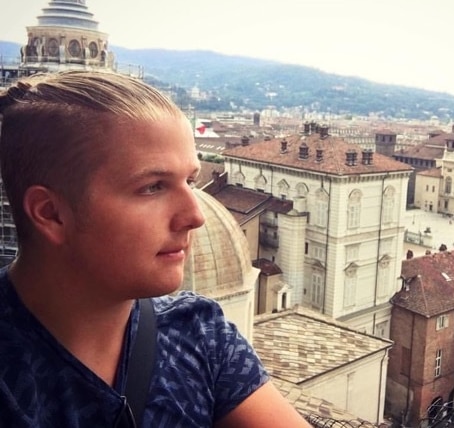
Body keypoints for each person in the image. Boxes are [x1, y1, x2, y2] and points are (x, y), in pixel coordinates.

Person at [0, 70, 310, 427]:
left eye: (190, 181)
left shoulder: (199, 333)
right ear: (51, 213)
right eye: (152, 187)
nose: (195, 215)